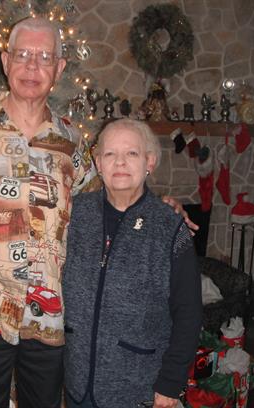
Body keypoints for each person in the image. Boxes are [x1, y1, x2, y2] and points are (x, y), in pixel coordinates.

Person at [0, 17, 196, 408]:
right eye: (23, 55)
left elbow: (112, 190)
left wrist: (162, 209)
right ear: (5, 61)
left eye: (45, 57)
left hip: (47, 316)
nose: (32, 67)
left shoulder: (70, 142)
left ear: (59, 69)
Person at [62, 118, 203, 408]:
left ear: (150, 161)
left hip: (139, 389)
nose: (120, 162)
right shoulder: (75, 214)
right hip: (76, 383)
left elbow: (189, 313)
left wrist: (170, 382)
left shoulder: (169, 227)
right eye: (110, 154)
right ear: (98, 162)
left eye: (132, 154)